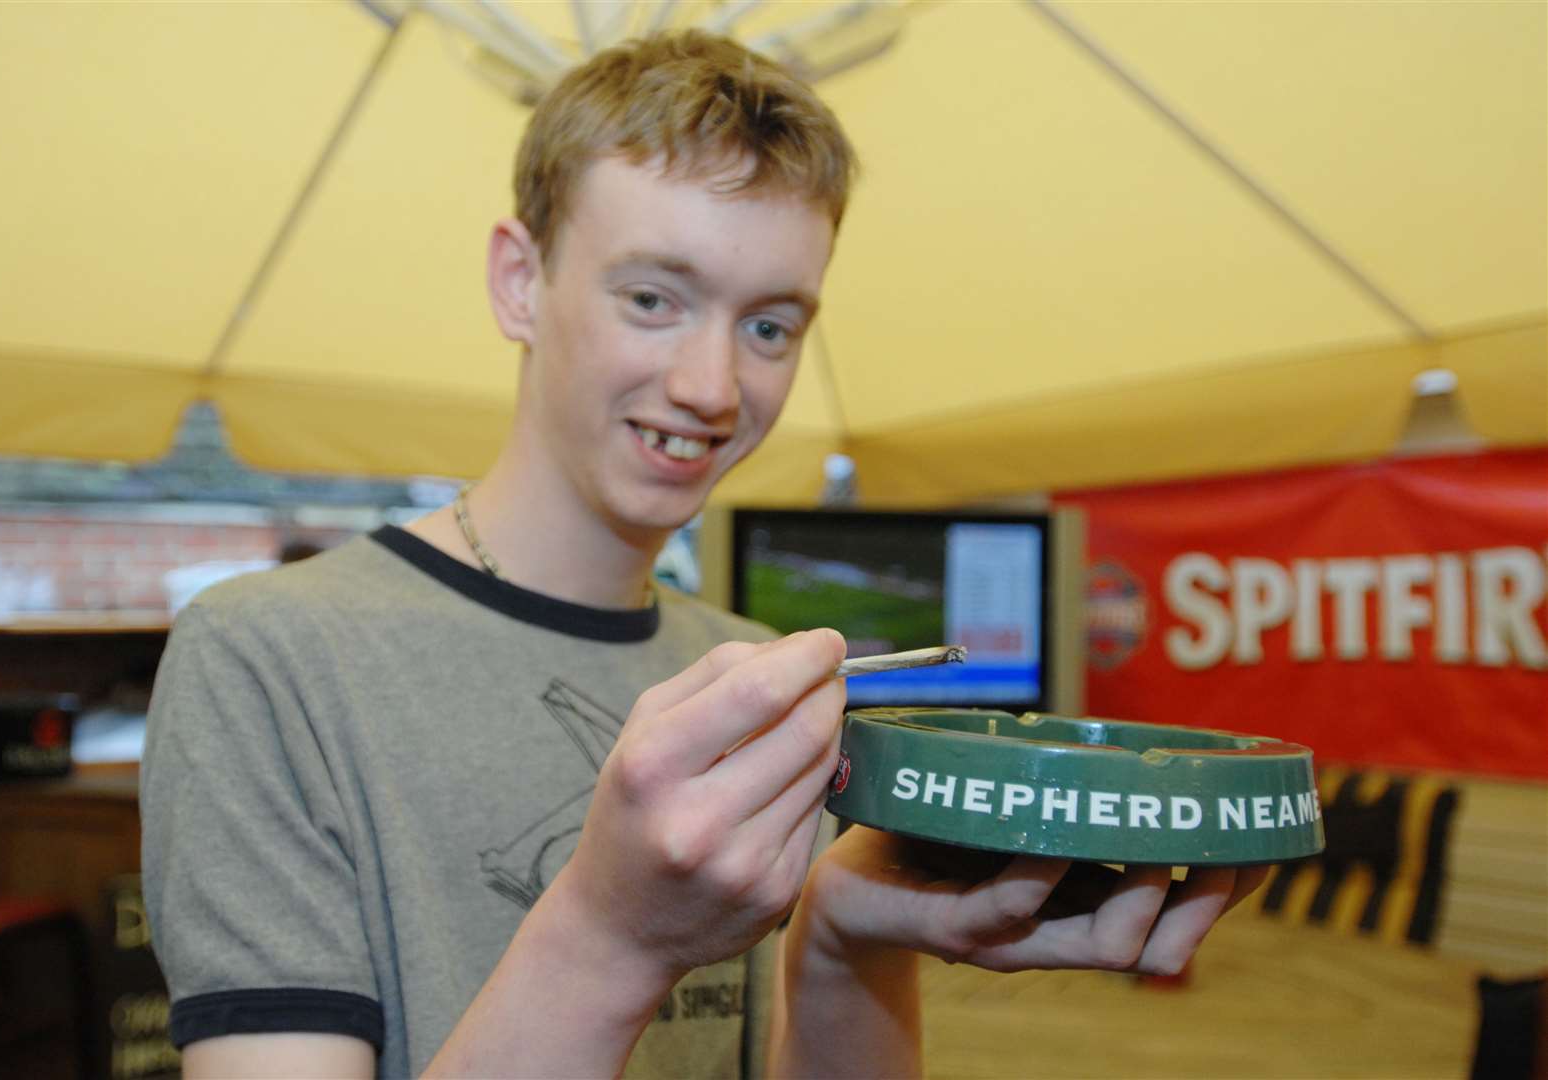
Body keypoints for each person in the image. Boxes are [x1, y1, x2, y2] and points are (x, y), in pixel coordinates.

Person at [141, 29, 1268, 1079]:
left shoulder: (753, 671)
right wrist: (610, 936)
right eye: (652, 298)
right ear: (519, 281)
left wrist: (840, 936)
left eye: (771, 324)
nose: (715, 388)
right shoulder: (268, 656)